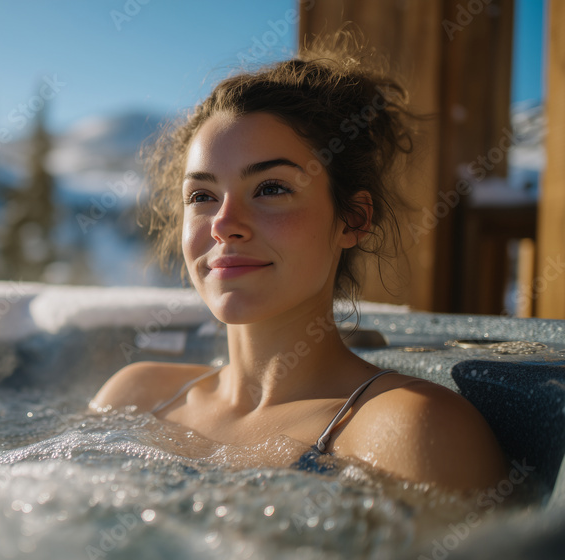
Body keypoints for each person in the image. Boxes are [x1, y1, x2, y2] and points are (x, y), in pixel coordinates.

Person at [89, 33, 508, 492]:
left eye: (271, 188)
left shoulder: (408, 429)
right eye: (202, 196)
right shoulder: (135, 397)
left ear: (353, 218)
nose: (224, 224)